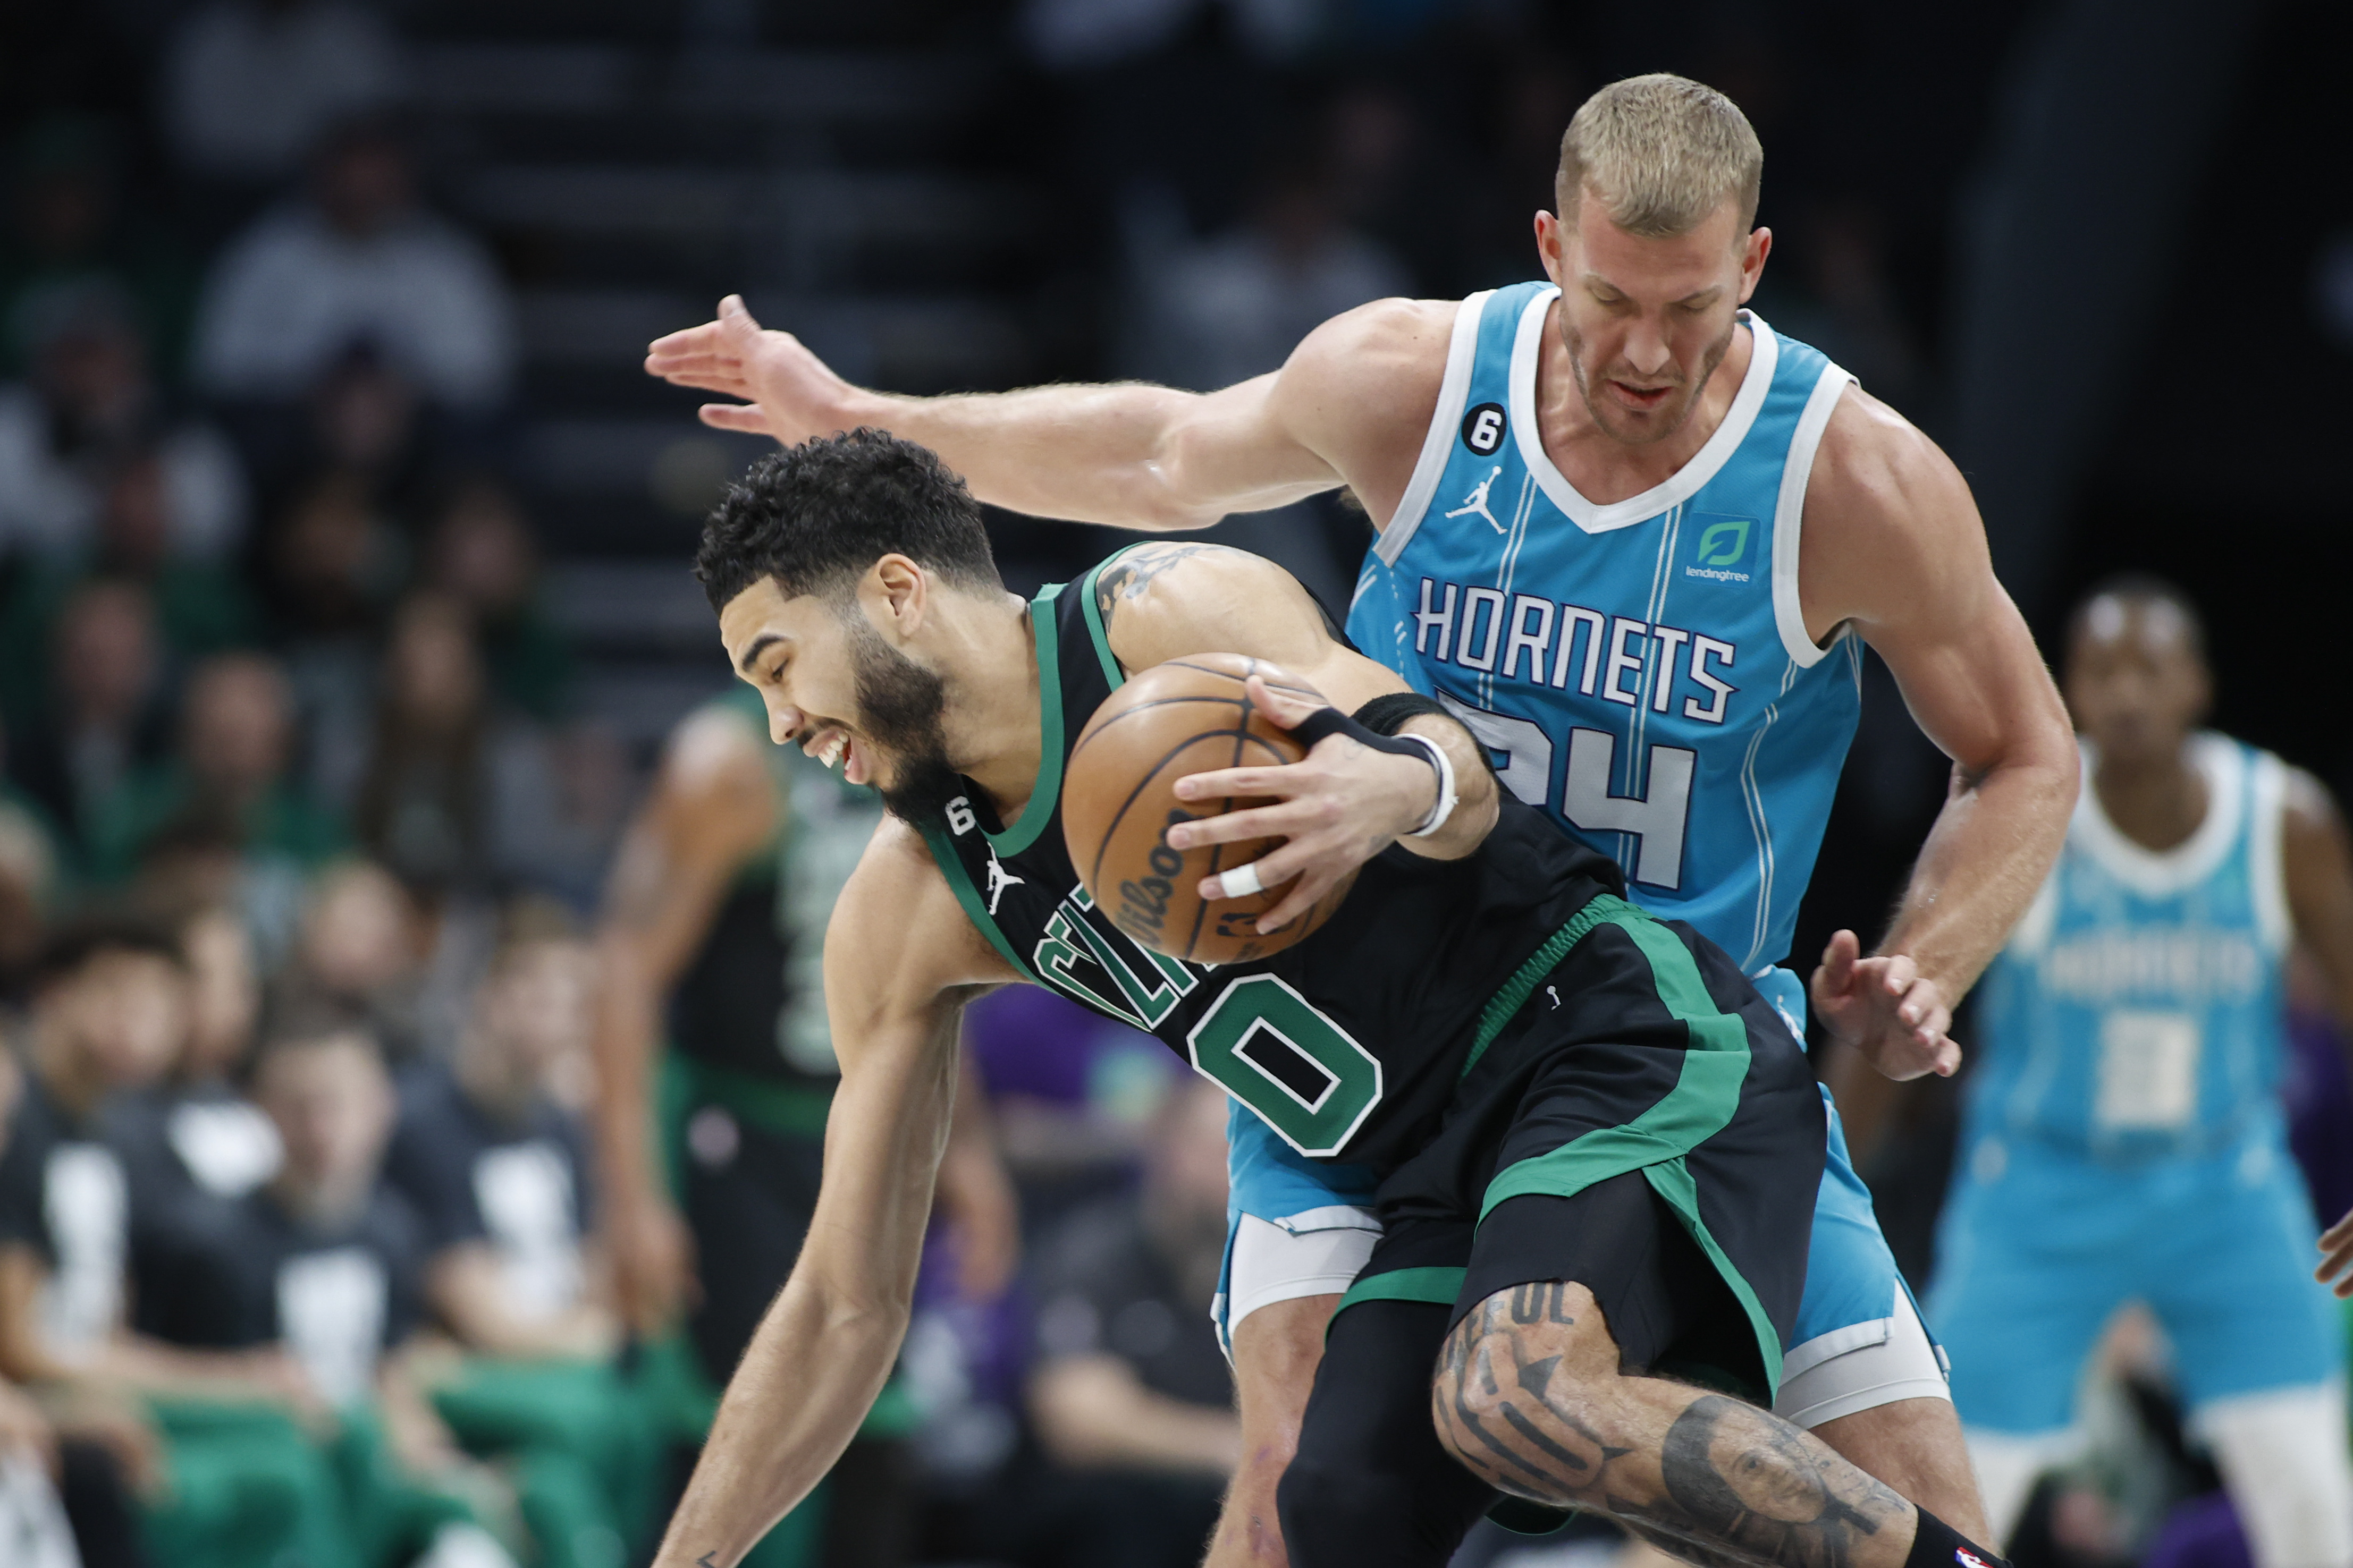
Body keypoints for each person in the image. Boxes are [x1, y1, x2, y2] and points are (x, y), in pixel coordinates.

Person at [642, 71, 2081, 1557]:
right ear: (1545, 248)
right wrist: (865, 419)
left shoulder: (1847, 478)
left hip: (1636, 1018)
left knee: (1733, 1460)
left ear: (1754, 273)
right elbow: (1162, 451)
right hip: (1363, 1118)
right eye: (1607, 301)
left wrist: (1931, 953)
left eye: (1692, 309)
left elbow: (2024, 750)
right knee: (1296, 1492)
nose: (1645, 351)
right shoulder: (1413, 382)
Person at [1929, 578, 2353, 1566]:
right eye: (2100, 669)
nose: (2124, 693)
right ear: (2067, 686)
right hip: (2040, 1187)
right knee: (1951, 1486)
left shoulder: (2279, 818)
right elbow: (1913, 1000)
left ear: (2195, 685)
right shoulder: (2024, 813)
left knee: (2308, 1489)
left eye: (2148, 669)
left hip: (2220, 1183)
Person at [588, 625, 1013, 1568]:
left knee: (873, 1438)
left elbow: (934, 973)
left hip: (868, 1131)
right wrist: (633, 1198)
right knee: (730, 1440)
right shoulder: (729, 764)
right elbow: (623, 976)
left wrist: (972, 1154)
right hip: (734, 1142)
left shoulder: (923, 757)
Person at [1020, 1077, 1240, 1568]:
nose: (1240, 1178)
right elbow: (1078, 1419)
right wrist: (1236, 1448)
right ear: (1170, 1151)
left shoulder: (1291, 1270)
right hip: (1121, 1514)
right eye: (1224, 1152)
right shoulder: (1092, 1252)